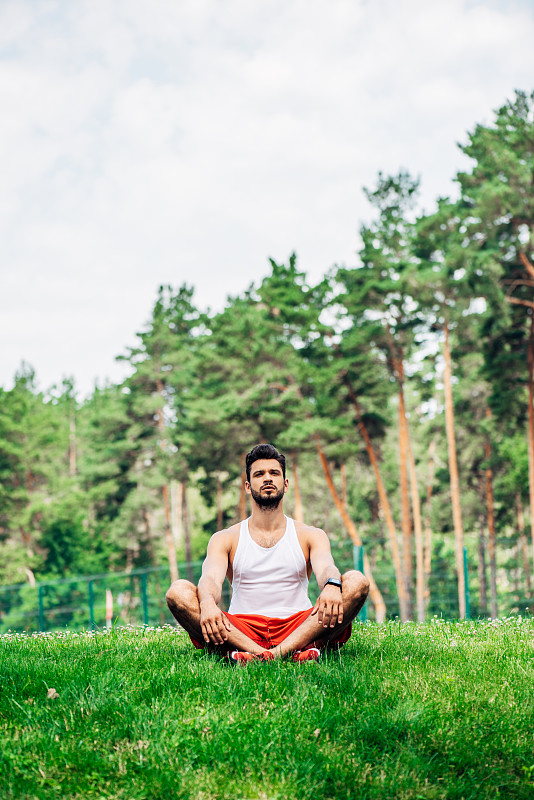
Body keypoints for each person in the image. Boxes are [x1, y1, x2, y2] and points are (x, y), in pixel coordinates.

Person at [166, 443, 369, 663]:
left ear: (286, 483)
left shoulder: (310, 534)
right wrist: (206, 603)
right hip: (241, 627)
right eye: (259, 474)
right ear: (247, 485)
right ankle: (289, 652)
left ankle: (255, 655)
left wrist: (332, 584)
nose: (267, 479)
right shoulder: (225, 538)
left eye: (274, 473)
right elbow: (210, 580)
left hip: (299, 624)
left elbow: (326, 567)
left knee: (357, 581)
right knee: (178, 592)